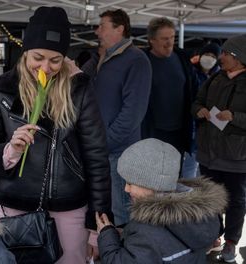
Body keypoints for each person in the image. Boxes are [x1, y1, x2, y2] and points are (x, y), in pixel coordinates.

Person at [0, 6, 113, 264]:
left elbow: (97, 158)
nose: (46, 67)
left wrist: (98, 224)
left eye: (55, 60)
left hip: (70, 207)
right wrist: (9, 151)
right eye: (38, 57)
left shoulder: (79, 91)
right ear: (25, 52)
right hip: (15, 207)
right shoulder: (3, 90)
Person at [96, 138, 227, 264]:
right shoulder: (203, 216)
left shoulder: (146, 233)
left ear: (153, 184)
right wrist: (125, 233)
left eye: (130, 183)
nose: (126, 188)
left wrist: (106, 234)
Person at [85, 9, 152, 228]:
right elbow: (79, 82)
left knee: (122, 212)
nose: (97, 31)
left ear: (119, 29)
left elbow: (132, 113)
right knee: (102, 209)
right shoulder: (100, 58)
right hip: (99, 148)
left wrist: (105, 142)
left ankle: (127, 255)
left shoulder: (137, 60)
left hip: (118, 152)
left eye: (102, 26)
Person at [191, 34, 246, 263]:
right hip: (208, 155)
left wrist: (235, 116)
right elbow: (196, 102)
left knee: (236, 200)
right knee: (210, 198)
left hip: (236, 158)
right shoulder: (214, 79)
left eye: (226, 54)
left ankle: (231, 242)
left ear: (239, 58)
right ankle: (213, 236)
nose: (221, 57)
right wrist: (199, 111)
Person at [142, 17, 197, 163]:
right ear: (152, 40)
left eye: (172, 37)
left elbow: (194, 91)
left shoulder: (183, 59)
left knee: (174, 179)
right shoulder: (141, 62)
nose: (169, 43)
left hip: (179, 132)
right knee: (151, 178)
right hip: (151, 132)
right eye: (164, 38)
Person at [182, 42, 222, 179]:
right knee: (189, 164)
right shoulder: (191, 73)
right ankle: (185, 192)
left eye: (212, 56)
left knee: (206, 168)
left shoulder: (220, 77)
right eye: (206, 54)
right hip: (191, 125)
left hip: (212, 127)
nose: (209, 58)